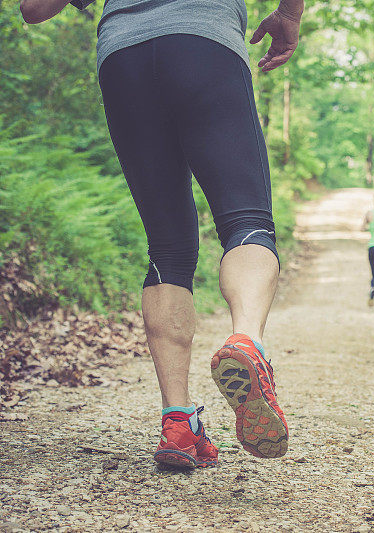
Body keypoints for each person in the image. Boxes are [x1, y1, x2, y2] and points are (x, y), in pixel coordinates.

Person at [20, 0, 304, 467]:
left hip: (123, 58)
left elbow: (33, 9)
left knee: (167, 248)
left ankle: (179, 425)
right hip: (204, 41)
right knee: (247, 221)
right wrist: (289, 17)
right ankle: (246, 342)